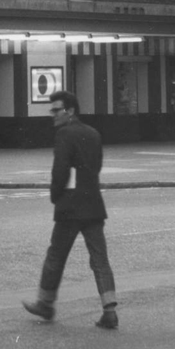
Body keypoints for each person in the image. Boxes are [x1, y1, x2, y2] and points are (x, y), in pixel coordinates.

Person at [23, 90, 119, 330]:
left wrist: (56, 195)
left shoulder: (64, 134)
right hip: (94, 204)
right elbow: (96, 167)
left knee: (55, 256)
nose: (53, 115)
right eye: (52, 110)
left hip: (70, 206)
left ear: (70, 111)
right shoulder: (94, 133)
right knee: (99, 259)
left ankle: (45, 303)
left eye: (57, 110)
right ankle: (110, 310)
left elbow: (61, 170)